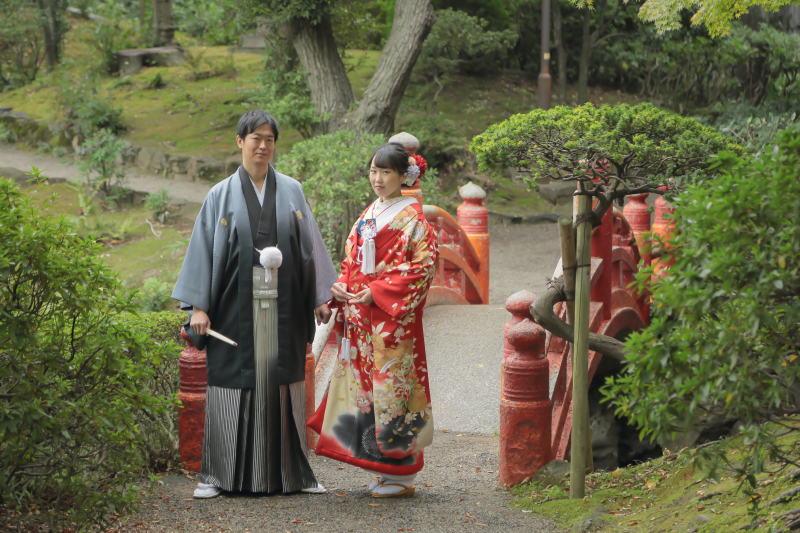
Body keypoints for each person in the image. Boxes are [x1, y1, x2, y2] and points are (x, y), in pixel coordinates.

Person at [172, 110, 338, 498]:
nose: (263, 146)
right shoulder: (220, 194)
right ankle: (216, 475)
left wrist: (320, 299)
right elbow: (202, 250)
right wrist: (198, 305)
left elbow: (309, 247)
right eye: (255, 139)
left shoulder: (293, 190)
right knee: (231, 384)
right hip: (233, 308)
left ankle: (296, 473)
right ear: (240, 142)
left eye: (269, 139)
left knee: (285, 385)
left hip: (285, 307)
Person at [308, 142, 439, 497]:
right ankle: (384, 470)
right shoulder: (372, 211)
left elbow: (423, 268)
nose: (377, 179)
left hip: (392, 323)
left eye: (386, 172)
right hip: (363, 320)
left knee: (392, 393)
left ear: (402, 176)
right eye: (373, 171)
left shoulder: (414, 218)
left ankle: (404, 475)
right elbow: (352, 260)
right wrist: (342, 286)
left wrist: (378, 291)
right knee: (368, 393)